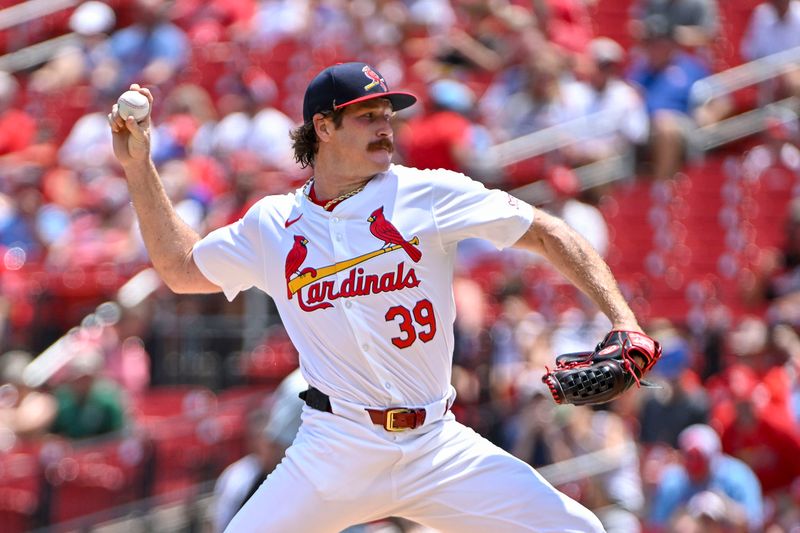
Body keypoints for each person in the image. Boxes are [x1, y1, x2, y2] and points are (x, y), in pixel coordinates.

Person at [109, 61, 655, 532]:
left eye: (388, 115)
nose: (385, 128)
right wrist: (138, 169)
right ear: (323, 126)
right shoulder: (274, 225)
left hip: (437, 445)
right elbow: (181, 268)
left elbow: (546, 231)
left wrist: (623, 318)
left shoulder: (427, 193)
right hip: (336, 445)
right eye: (368, 116)